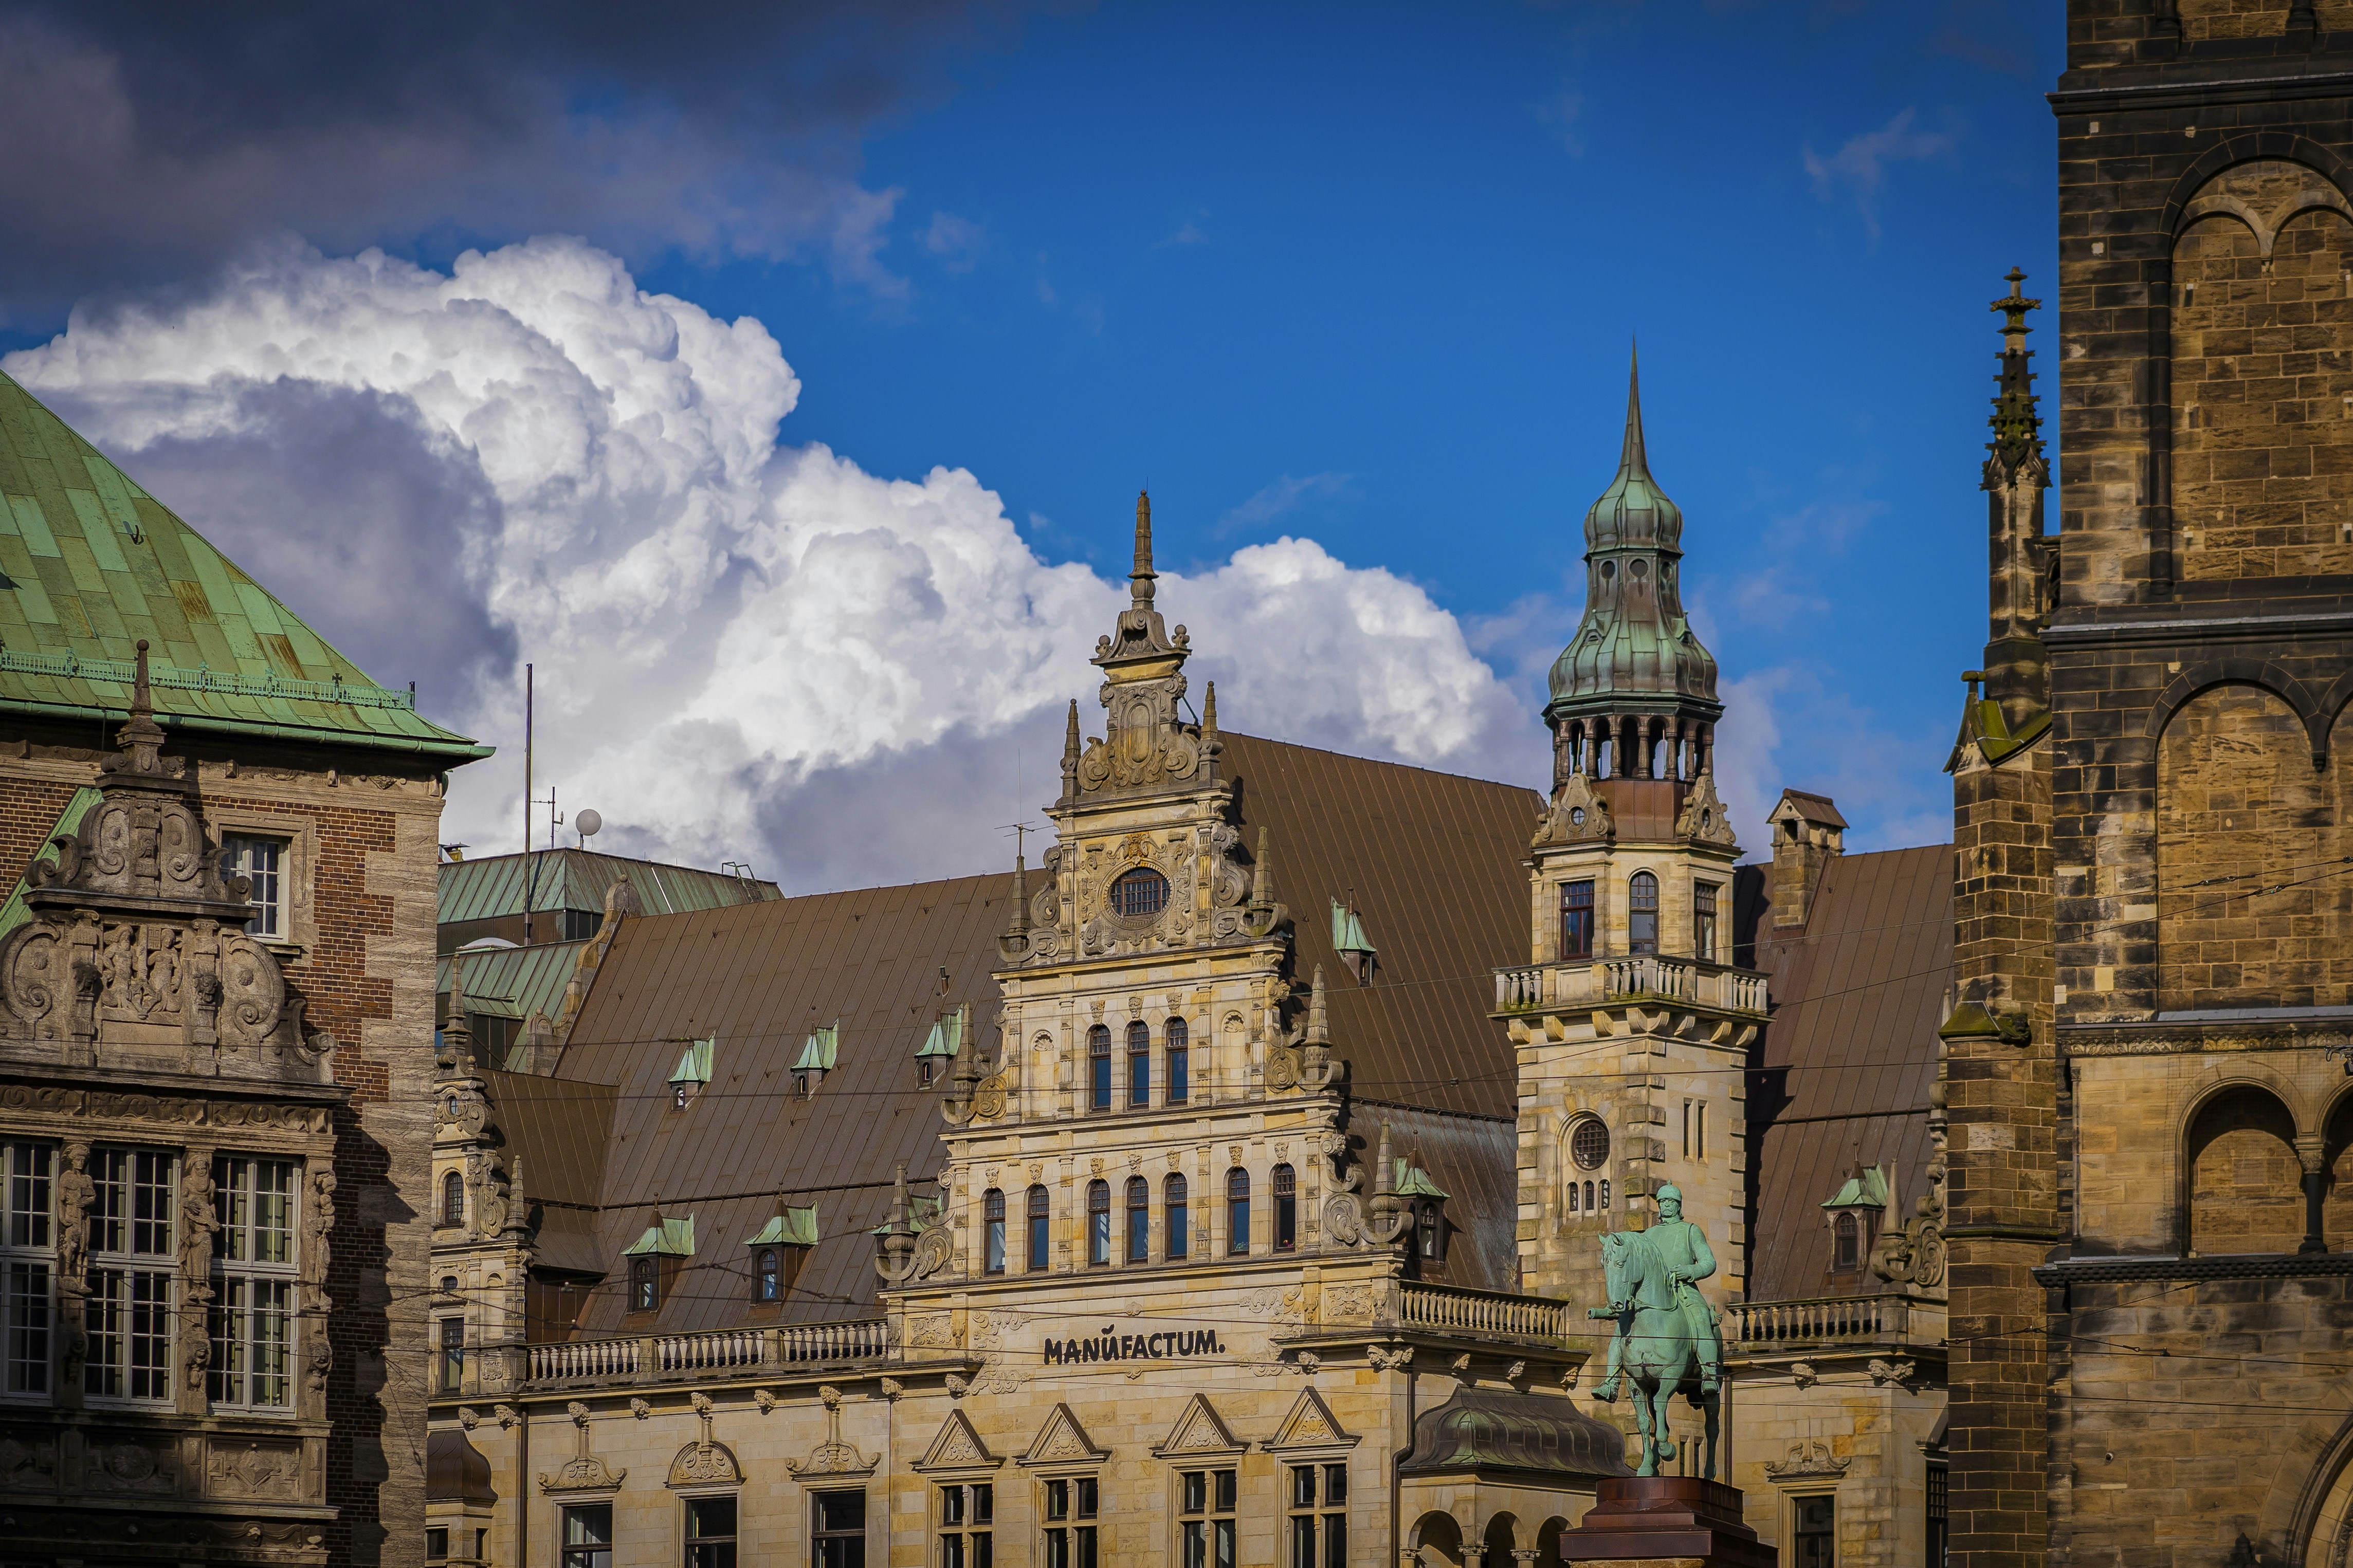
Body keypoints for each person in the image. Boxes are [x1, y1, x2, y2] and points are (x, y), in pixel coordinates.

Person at [1593, 1183, 1722, 1400]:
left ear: (1679, 1206)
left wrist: (1689, 1271)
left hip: (1684, 1290)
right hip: (1650, 1296)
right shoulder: (1649, 1234)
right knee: (1621, 1327)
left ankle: (1709, 1373)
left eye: (1671, 1202)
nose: (1666, 1206)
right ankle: (1611, 1381)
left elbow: (1709, 1263)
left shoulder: (1690, 1230)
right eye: (1662, 1202)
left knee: (1701, 1317)